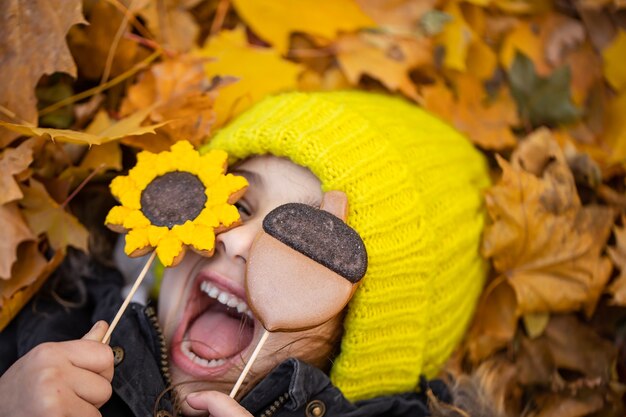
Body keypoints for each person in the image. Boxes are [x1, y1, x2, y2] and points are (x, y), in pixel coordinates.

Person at [0, 90, 491, 417]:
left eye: (306, 241)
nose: (234, 240)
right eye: (239, 204)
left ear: (367, 335)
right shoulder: (47, 324)